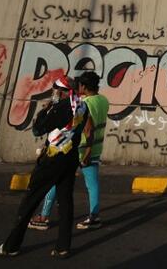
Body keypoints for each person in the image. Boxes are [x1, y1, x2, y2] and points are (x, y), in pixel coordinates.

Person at [0, 76, 88, 258]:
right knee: (65, 202)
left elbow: (38, 129)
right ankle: (62, 246)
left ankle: (11, 246)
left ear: (63, 91)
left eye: (57, 90)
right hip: (70, 157)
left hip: (53, 159)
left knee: (30, 201)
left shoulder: (61, 108)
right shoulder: (82, 106)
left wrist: (47, 109)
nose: (54, 93)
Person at [30, 71, 109, 232]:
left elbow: (87, 128)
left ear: (84, 87)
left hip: (78, 148)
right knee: (92, 184)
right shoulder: (103, 100)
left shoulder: (83, 103)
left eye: (79, 85)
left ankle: (44, 217)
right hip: (95, 148)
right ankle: (94, 216)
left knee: (55, 181)